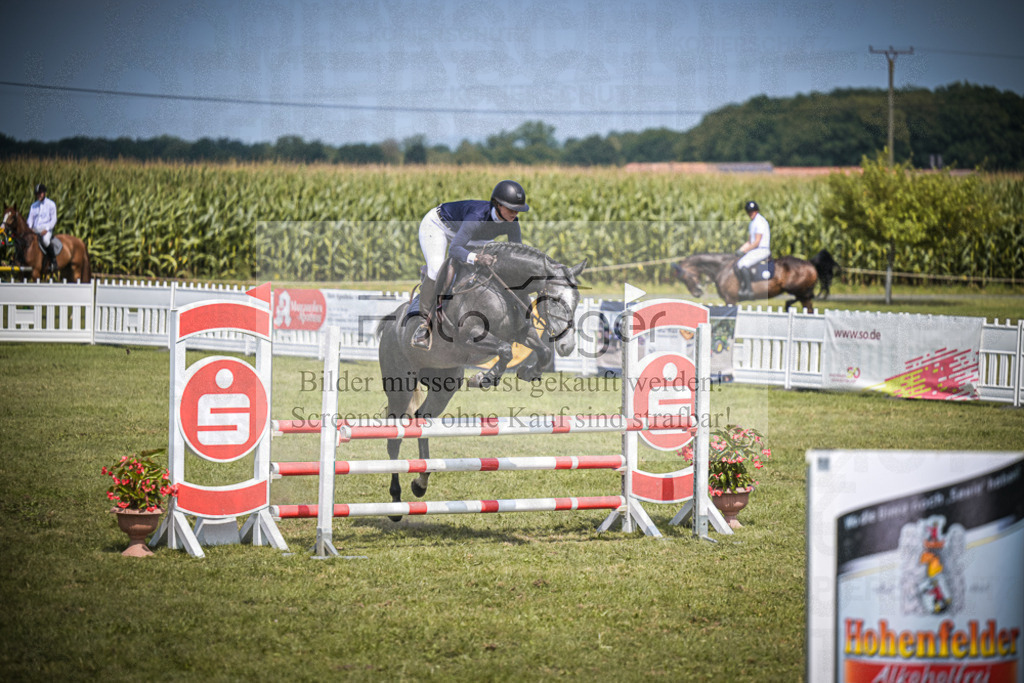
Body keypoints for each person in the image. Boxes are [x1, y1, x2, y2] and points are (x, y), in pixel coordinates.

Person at [412, 180, 529, 349]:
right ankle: (423, 324)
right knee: (437, 269)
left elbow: (516, 253)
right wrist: (476, 258)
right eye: (511, 209)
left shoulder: (512, 223)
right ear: (497, 204)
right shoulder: (477, 217)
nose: (515, 213)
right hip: (440, 226)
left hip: (473, 235)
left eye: (517, 210)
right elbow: (454, 250)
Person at [734, 200, 771, 298]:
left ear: (757, 211)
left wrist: (744, 251)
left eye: (752, 211)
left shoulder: (760, 222)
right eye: (749, 212)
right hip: (755, 249)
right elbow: (750, 242)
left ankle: (749, 289)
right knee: (738, 261)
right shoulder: (752, 223)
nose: (751, 213)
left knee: (742, 264)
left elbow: (756, 242)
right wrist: (740, 250)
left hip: (762, 250)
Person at [27, 183, 58, 273]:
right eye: (37, 194)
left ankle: (53, 262)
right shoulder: (33, 206)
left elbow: (54, 219)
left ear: (44, 193)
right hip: (35, 230)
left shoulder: (51, 204)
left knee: (45, 241)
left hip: (46, 230)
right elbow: (30, 220)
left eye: (40, 193)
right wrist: (29, 229)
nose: (39, 195)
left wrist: (47, 229)